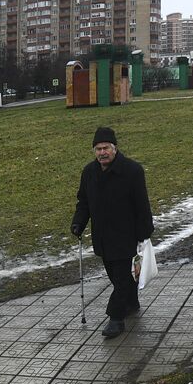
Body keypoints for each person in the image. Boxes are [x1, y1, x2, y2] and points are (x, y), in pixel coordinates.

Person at [71, 127, 154, 337]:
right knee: (118, 278)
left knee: (123, 279)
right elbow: (84, 202)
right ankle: (131, 303)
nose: (102, 153)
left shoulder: (132, 171)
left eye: (105, 148)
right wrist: (78, 223)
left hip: (127, 236)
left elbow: (142, 205)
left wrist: (144, 233)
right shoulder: (89, 173)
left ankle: (116, 318)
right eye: (98, 149)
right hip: (102, 237)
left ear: (114, 148)